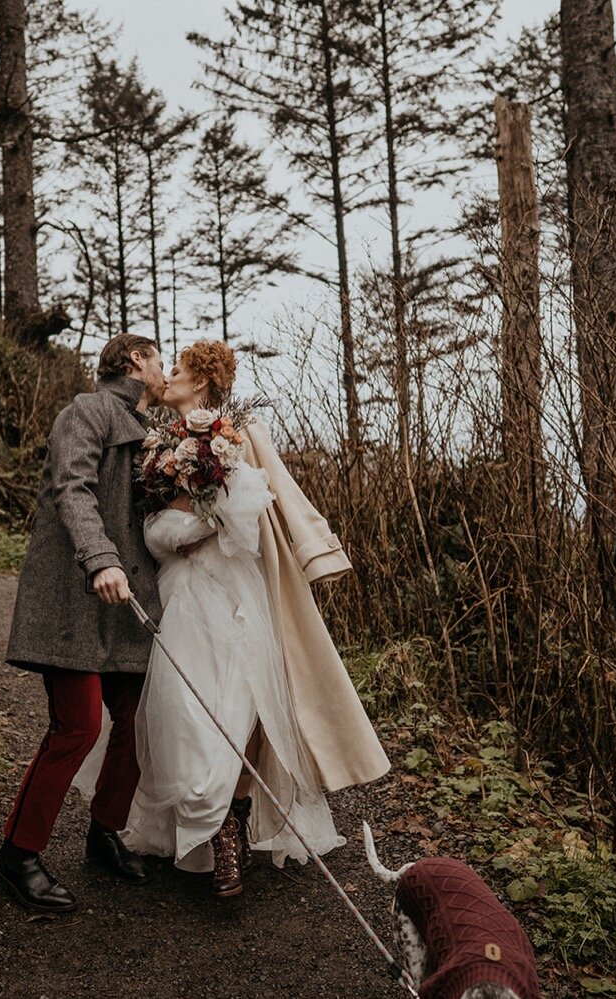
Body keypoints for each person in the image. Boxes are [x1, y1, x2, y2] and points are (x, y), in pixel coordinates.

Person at [122, 340, 390, 896]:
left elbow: (248, 516)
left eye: (177, 369)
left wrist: (191, 516)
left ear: (200, 383)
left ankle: (229, 823)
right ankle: (205, 819)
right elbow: (148, 523)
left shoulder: (235, 436)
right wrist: (169, 523)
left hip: (233, 592)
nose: (167, 375)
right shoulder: (154, 446)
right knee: (183, 705)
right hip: (179, 591)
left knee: (243, 707)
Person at [0, 332, 166, 913]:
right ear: (137, 361)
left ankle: (104, 833)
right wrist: (101, 559)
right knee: (77, 727)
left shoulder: (157, 435)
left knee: (140, 719)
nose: (166, 371)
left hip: (126, 609)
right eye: (160, 358)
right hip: (73, 597)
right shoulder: (87, 409)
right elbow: (74, 488)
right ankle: (17, 855)